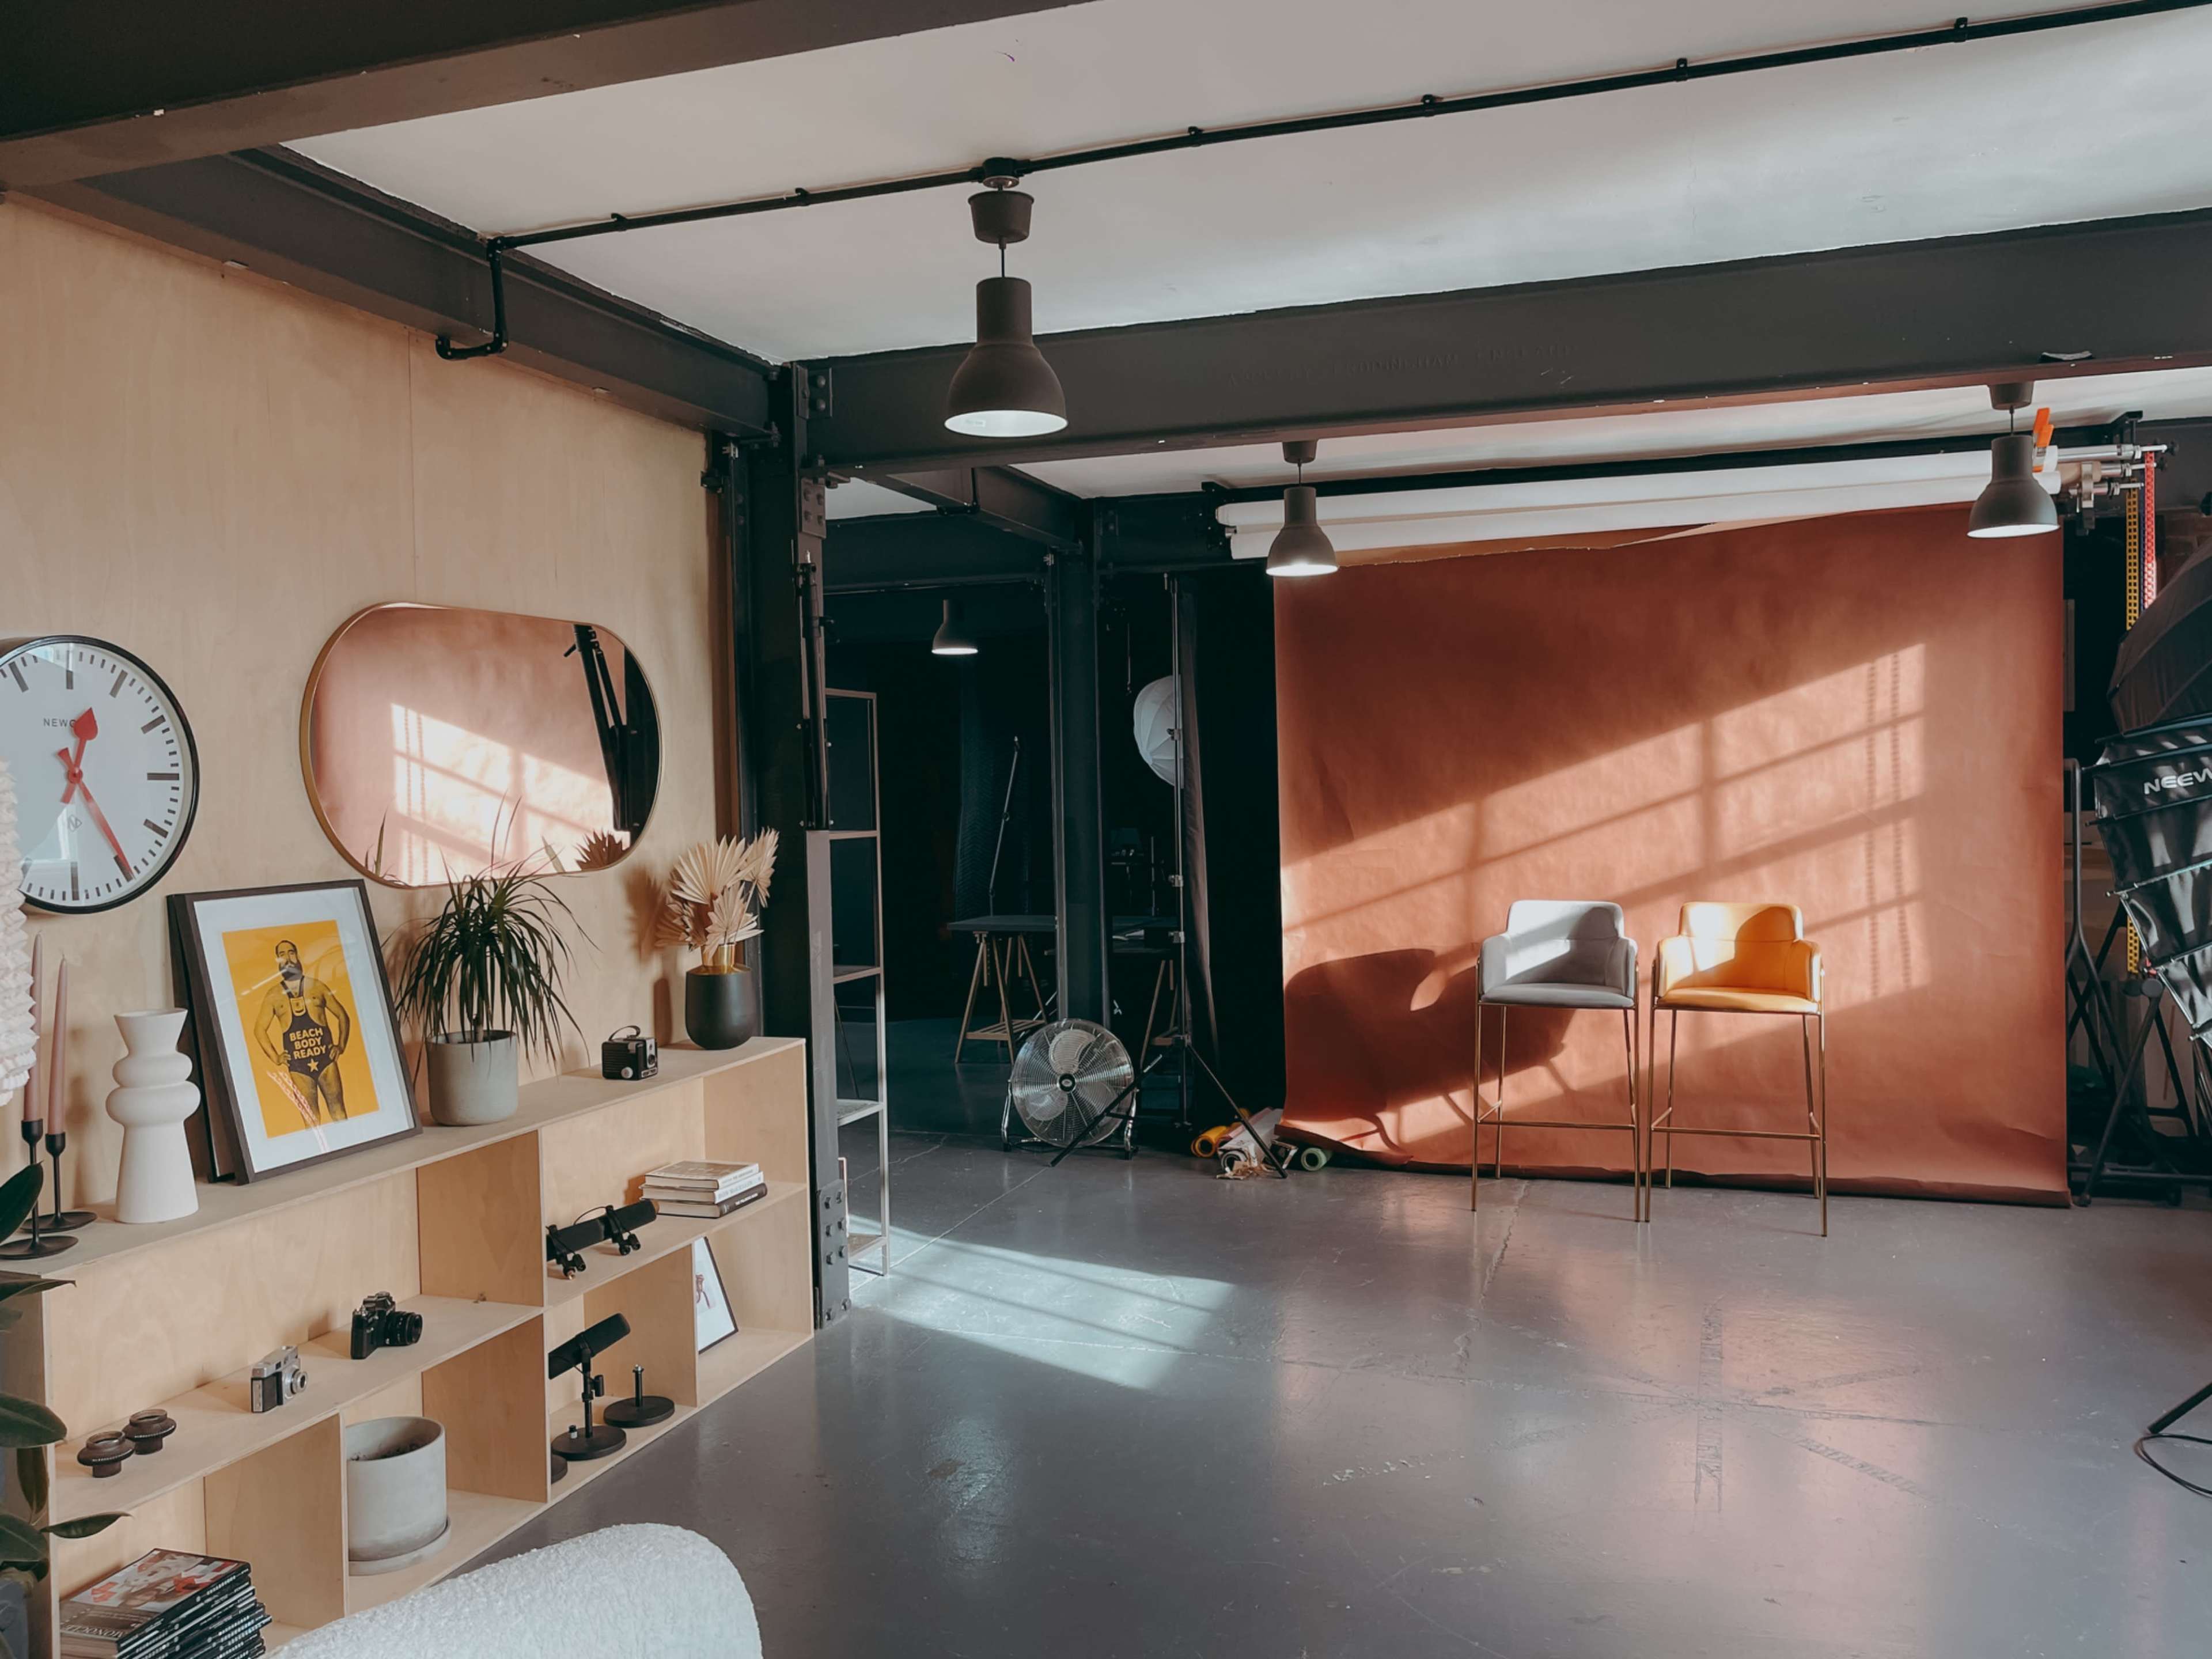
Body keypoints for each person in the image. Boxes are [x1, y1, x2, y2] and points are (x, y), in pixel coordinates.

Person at [252, 939, 352, 1122]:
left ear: (297, 956)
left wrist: (341, 1046)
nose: (288, 958)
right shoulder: (273, 995)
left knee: (339, 1112)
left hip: (326, 1061)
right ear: (278, 960)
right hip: (298, 1068)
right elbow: (259, 1030)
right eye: (282, 954)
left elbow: (343, 1016)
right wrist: (276, 1058)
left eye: (291, 952)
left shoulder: (318, 986)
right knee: (311, 1119)